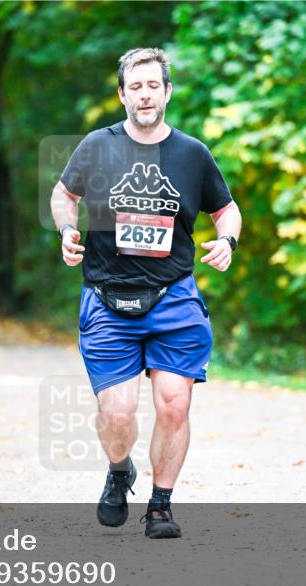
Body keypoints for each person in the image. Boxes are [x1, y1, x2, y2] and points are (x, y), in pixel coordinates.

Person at [50, 48, 242, 538]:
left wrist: (227, 241)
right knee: (116, 414)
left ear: (167, 92)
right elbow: (63, 195)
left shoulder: (191, 153)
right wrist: (67, 231)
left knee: (174, 404)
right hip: (108, 295)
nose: (145, 95)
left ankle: (161, 505)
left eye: (153, 85)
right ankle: (119, 472)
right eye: (135, 87)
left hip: (174, 296)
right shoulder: (96, 145)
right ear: (122, 94)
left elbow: (227, 210)